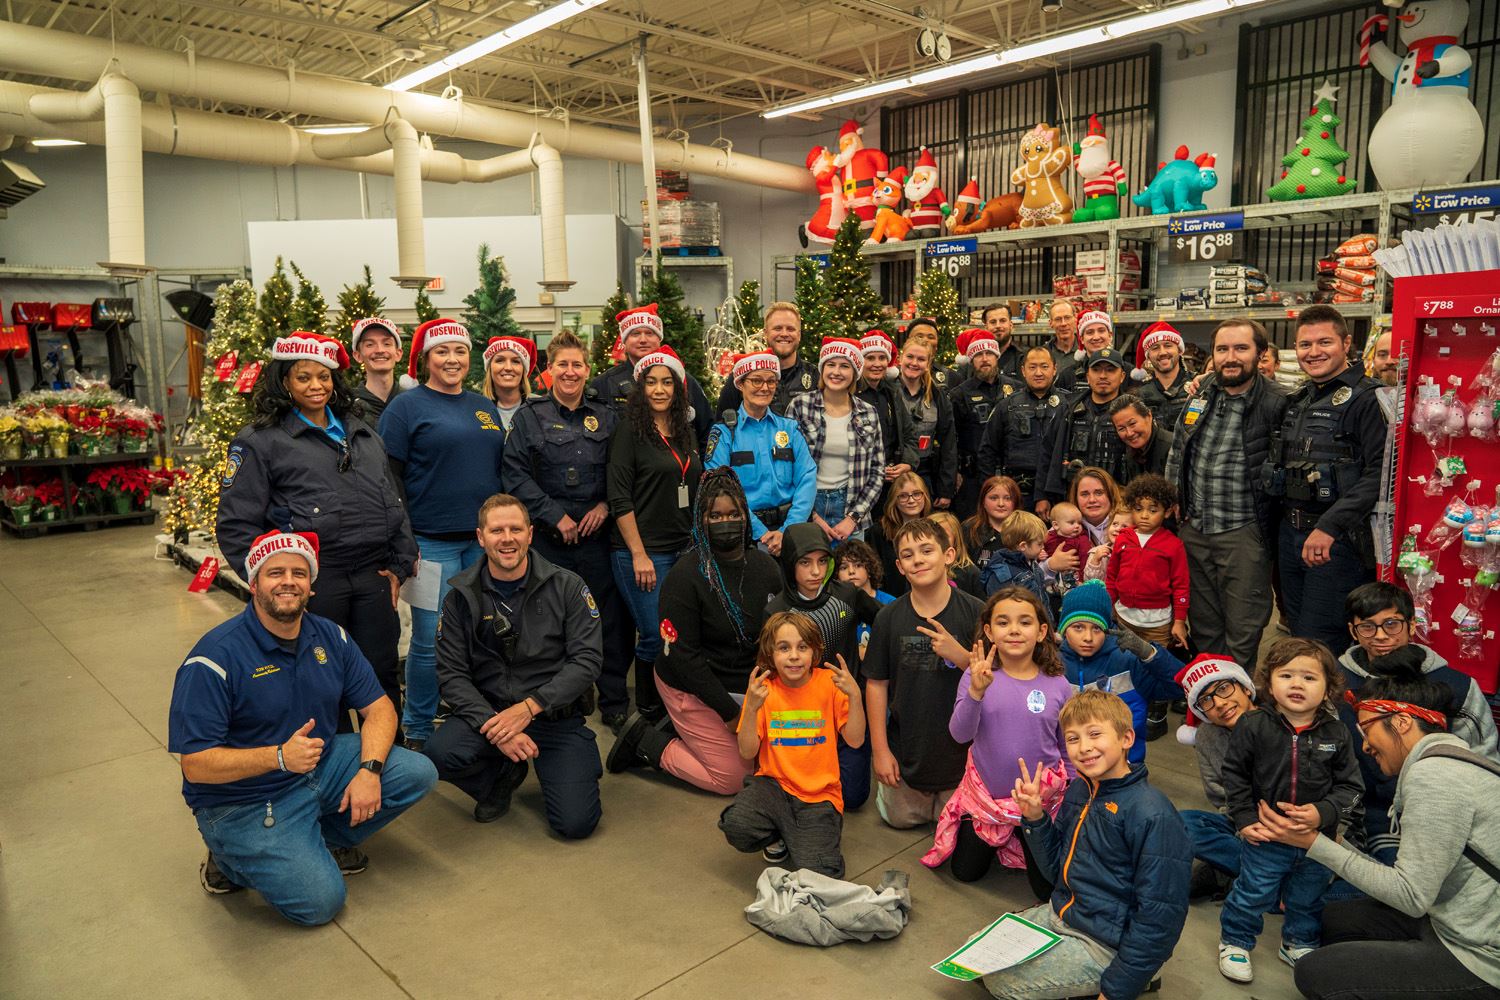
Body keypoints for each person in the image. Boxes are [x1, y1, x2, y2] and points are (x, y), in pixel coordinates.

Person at [167, 530, 437, 923]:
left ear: (311, 585)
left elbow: (380, 709)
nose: (288, 581)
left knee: (416, 772)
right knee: (320, 904)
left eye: (299, 572)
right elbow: (195, 763)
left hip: (318, 767)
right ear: (254, 581)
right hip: (243, 801)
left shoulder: (331, 636)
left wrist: (369, 771)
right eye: (275, 572)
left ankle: (314, 837)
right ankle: (228, 860)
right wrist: (278, 757)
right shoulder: (214, 658)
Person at [1256, 664, 1500, 1000]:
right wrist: (1335, 841)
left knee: (1317, 972)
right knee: (1325, 920)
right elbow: (1414, 878)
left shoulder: (1436, 778)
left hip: (1481, 953)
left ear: (1400, 723)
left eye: (1367, 730)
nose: (1366, 745)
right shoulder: (1449, 757)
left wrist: (1313, 844)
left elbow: (1411, 897)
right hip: (1447, 917)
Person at [217, 331, 417, 720]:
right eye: (303, 377)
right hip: (317, 583)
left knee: (380, 674)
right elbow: (236, 524)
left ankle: (388, 760)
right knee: (323, 679)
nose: (316, 386)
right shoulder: (260, 441)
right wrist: (273, 583)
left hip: (374, 576)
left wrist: (398, 565)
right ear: (284, 382)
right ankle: (331, 764)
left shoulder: (360, 431)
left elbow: (393, 499)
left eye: (324, 376)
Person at [982, 689, 1189, 1000]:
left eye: (1095, 734)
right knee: (980, 953)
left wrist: (1118, 989)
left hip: (1105, 945)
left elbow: (1160, 919)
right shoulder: (1080, 790)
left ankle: (1138, 978)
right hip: (1062, 914)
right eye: (1073, 738)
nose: (1084, 747)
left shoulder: (1153, 814)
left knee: (1003, 985)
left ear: (1127, 738)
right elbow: (1055, 870)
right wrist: (1036, 819)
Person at [424, 494, 604, 837]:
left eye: (515, 529)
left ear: (530, 534)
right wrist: (495, 726)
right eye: (496, 530)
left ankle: (567, 765)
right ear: (481, 538)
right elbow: (451, 674)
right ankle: (500, 776)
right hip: (490, 713)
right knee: (438, 753)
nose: (507, 538)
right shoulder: (460, 596)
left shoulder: (567, 587)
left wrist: (530, 708)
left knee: (576, 824)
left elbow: (587, 661)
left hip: (553, 714)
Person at [608, 470, 782, 792]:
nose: (725, 521)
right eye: (715, 515)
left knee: (773, 759)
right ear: (701, 520)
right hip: (690, 682)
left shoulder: (767, 568)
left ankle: (689, 731)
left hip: (744, 681)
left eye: (733, 514)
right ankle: (647, 741)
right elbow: (684, 659)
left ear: (746, 515)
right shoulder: (684, 577)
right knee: (732, 777)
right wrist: (730, 714)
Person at [379, 318, 505, 750]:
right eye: (442, 352)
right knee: (431, 639)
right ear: (425, 359)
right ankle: (416, 726)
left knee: (481, 633)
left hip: (482, 544)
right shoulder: (405, 408)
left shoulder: (482, 407)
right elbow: (388, 477)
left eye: (460, 351)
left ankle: (473, 713)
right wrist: (403, 539)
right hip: (429, 543)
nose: (452, 359)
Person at [502, 330, 633, 731]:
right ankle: (564, 697)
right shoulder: (530, 416)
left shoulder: (608, 416)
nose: (570, 372)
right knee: (549, 622)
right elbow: (515, 475)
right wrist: (553, 515)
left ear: (587, 370)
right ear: (548, 370)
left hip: (597, 535)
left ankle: (613, 698)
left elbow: (623, 471)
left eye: (577, 364)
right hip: (548, 537)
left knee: (608, 620)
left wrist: (605, 506)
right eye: (563, 364)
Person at [1216, 637, 1362, 982]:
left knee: (1308, 896)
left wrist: (1323, 813)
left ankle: (1298, 941)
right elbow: (1234, 776)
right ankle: (1235, 940)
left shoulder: (1337, 733)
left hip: (1316, 842)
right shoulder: (1253, 726)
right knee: (1252, 891)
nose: (1297, 684)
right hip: (1266, 838)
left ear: (1328, 689)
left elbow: (1351, 787)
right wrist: (1245, 818)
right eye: (1287, 675)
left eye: (1310, 678)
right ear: (1268, 682)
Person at [1334, 583, 1500, 871]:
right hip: (1366, 811)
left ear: (1412, 625)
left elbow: (1483, 758)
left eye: (1392, 624)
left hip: (1443, 811)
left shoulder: (1456, 685)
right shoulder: (1335, 684)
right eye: (1368, 628)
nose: (1381, 636)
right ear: (1353, 631)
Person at [921, 586, 1072, 898]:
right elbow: (959, 735)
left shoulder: (1058, 685)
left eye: (1025, 622)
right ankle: (998, 834)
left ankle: (1023, 834)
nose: (1014, 630)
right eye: (1003, 622)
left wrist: (1073, 797)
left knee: (1046, 891)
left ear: (1042, 631)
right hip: (986, 801)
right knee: (965, 873)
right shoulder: (977, 677)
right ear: (989, 631)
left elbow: (1065, 748)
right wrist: (976, 692)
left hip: (1039, 806)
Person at [1164, 319, 1287, 670]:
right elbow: (1178, 448)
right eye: (1222, 349)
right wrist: (1175, 494)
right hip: (1195, 528)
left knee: (1243, 625)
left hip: (1244, 532)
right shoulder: (1200, 394)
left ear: (1260, 354)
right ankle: (1209, 696)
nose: (1230, 357)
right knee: (1203, 623)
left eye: (1240, 348)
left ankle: (1238, 704)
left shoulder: (1278, 403)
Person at [1267, 305, 1389, 653]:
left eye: (1324, 342)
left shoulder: (1368, 399)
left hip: (1337, 542)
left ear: (1346, 343)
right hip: (1291, 535)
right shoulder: (1299, 399)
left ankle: (1331, 707)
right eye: (1305, 345)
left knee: (1323, 641)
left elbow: (1379, 473)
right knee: (1297, 631)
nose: (1313, 352)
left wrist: (1330, 526)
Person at [718, 612, 866, 877]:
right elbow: (747, 751)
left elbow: (855, 739)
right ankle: (779, 834)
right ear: (770, 654)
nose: (794, 656)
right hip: (773, 787)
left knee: (822, 873)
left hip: (819, 796)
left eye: (802, 647)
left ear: (815, 652)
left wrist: (855, 696)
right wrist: (750, 709)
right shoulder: (765, 690)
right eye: (784, 648)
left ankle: (803, 834)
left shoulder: (829, 685)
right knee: (736, 825)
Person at [863, 517, 984, 828]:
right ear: (900, 567)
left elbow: (996, 682)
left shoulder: (976, 612)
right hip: (908, 752)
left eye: (926, 550)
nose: (917, 559)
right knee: (900, 821)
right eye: (907, 555)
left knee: (957, 824)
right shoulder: (888, 618)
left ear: (948, 555)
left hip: (961, 756)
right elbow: (876, 684)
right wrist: (879, 751)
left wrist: (960, 656)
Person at [605, 344, 702, 726]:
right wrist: (638, 554)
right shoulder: (629, 431)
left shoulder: (685, 431)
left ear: (679, 388)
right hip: (643, 552)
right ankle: (647, 714)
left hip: (682, 549)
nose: (660, 389)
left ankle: (672, 712)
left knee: (676, 636)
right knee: (651, 636)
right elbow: (619, 496)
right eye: (651, 382)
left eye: (668, 382)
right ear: (640, 388)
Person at [765, 523, 883, 812]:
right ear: (790, 564)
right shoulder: (776, 610)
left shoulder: (847, 595)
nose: (815, 572)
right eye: (805, 563)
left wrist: (873, 663)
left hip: (845, 708)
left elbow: (887, 621)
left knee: (853, 798)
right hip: (800, 714)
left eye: (822, 561)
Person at [704, 351, 817, 557]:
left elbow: (807, 477)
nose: (764, 387)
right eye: (756, 380)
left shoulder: (789, 428)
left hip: (791, 530)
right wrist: (761, 533)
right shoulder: (724, 432)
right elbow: (719, 488)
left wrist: (787, 530)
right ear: (740, 384)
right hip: (746, 535)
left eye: (771, 381)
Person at [1056, 581, 1184, 763]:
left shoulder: (1127, 662)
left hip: (1125, 768)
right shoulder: (1053, 667)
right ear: (1063, 629)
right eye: (1078, 627)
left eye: (1097, 628)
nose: (1088, 637)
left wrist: (1149, 654)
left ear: (1108, 630)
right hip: (1070, 772)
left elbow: (1182, 685)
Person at [1173, 654, 1258, 901]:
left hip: (1287, 822)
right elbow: (1220, 796)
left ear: (1244, 687)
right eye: (1206, 701)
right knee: (1182, 823)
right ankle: (1257, 873)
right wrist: (1243, 826)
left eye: (1223, 688)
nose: (1219, 703)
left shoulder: (1279, 720)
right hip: (1242, 821)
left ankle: (1236, 872)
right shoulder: (1208, 737)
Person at [785, 337, 885, 544]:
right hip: (809, 504)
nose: (836, 372)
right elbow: (786, 465)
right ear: (822, 369)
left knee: (850, 574)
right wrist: (811, 515)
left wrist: (853, 518)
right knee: (810, 574)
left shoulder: (868, 413)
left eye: (844, 366)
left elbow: (877, 471)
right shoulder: (800, 406)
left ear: (855, 373)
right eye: (830, 364)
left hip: (850, 507)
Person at [590, 302, 713, 446]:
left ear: (659, 339)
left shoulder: (683, 380)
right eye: (635, 334)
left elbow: (706, 431)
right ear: (624, 341)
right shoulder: (604, 383)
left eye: (649, 333)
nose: (643, 340)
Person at [1106, 474, 1190, 650]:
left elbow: (1181, 586)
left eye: (1153, 510)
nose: (1144, 515)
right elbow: (1112, 577)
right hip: (1124, 619)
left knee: (1155, 664)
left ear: (1166, 512)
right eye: (1138, 509)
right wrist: (1109, 607)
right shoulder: (1123, 539)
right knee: (1126, 665)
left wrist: (1180, 622)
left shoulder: (1174, 545)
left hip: (1158, 625)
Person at [978, 345, 1063, 511]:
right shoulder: (1007, 405)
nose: (1038, 373)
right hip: (1016, 494)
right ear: (1023, 371)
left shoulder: (1067, 404)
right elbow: (987, 451)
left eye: (1044, 366)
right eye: (1032, 367)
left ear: (1054, 369)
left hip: (1058, 493)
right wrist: (992, 492)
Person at [1040, 347, 1130, 504]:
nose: (1103, 375)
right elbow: (1047, 452)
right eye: (1096, 370)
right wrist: (1042, 496)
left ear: (1122, 376)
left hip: (1119, 498)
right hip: (1072, 498)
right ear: (1088, 376)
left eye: (1110, 370)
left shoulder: (1132, 411)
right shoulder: (1068, 409)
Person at [715, 302, 818, 416]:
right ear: (765, 334)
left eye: (790, 329)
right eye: (777, 328)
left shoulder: (814, 375)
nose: (784, 333)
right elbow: (723, 422)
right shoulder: (743, 374)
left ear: (799, 335)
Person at [950, 328, 1010, 519]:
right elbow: (951, 438)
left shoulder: (1015, 388)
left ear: (997, 356)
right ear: (971, 360)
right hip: (972, 478)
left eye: (989, 353)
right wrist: (955, 472)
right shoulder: (959, 394)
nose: (985, 359)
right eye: (978, 354)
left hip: (1009, 473)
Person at [855, 331, 919, 502]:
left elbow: (910, 434)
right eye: (870, 358)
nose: (877, 364)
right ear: (861, 361)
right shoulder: (850, 393)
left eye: (882, 358)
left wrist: (907, 463)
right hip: (861, 483)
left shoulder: (893, 392)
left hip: (892, 481)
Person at [895, 336, 957, 509]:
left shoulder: (937, 396)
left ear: (928, 364)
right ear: (901, 358)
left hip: (925, 473)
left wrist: (946, 489)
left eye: (921, 359)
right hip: (892, 473)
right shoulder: (888, 391)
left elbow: (949, 443)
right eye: (910, 357)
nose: (914, 363)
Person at [866, 469, 932, 598]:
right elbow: (874, 574)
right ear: (894, 500)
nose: (911, 500)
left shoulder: (934, 529)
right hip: (890, 601)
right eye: (903, 496)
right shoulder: (878, 532)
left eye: (917, 494)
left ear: (925, 496)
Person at [1129, 321, 1193, 428]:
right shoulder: (1139, 395)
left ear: (1180, 350)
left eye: (1168, 345)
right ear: (1148, 356)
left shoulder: (1198, 386)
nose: (1162, 352)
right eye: (1155, 348)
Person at [979, 510, 1049, 603]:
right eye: (1039, 544)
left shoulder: (1031, 563)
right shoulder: (1002, 575)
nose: (1043, 547)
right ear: (1023, 546)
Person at [347, 316, 404, 424]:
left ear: (398, 353)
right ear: (357, 355)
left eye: (387, 344)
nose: (380, 350)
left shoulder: (413, 401)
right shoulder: (348, 407)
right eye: (370, 344)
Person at [477, 332, 536, 434]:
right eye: (500, 360)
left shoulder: (541, 408)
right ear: (489, 367)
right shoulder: (475, 408)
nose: (508, 367)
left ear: (524, 370)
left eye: (516, 361)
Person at [963, 474, 1021, 570]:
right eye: (994, 498)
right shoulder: (969, 529)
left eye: (1008, 498)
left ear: (1016, 503)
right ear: (983, 502)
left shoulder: (1025, 529)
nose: (1001, 504)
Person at [1110, 396, 1173, 482]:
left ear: (1149, 416)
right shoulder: (1131, 452)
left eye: (1132, 424)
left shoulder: (1172, 448)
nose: (1129, 433)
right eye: (1121, 429)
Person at [931, 510, 985, 599]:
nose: (938, 540)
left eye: (944, 536)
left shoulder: (970, 572)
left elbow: (982, 607)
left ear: (956, 539)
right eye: (932, 535)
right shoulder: (922, 568)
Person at [1043, 501, 1092, 595]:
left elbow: (1085, 559)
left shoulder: (1081, 540)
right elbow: (1040, 551)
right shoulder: (1049, 537)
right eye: (1071, 522)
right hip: (1052, 582)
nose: (1077, 526)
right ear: (1056, 525)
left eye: (1079, 523)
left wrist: (1082, 580)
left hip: (1074, 581)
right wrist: (1041, 554)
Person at [1084, 505, 1133, 583]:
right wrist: (1095, 561)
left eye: (1124, 526)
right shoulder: (1096, 552)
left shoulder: (1134, 555)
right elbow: (1089, 582)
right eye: (1115, 524)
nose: (1117, 529)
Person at [1044, 298, 1080, 391]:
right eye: (1058, 319)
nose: (1063, 323)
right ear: (1050, 323)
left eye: (1067, 318)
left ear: (1075, 319)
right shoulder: (1043, 354)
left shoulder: (1086, 351)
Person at [980, 302, 1023, 379]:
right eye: (993, 322)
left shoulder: (1024, 356)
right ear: (986, 328)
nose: (998, 326)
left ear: (1011, 325)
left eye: (1003, 321)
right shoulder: (976, 359)